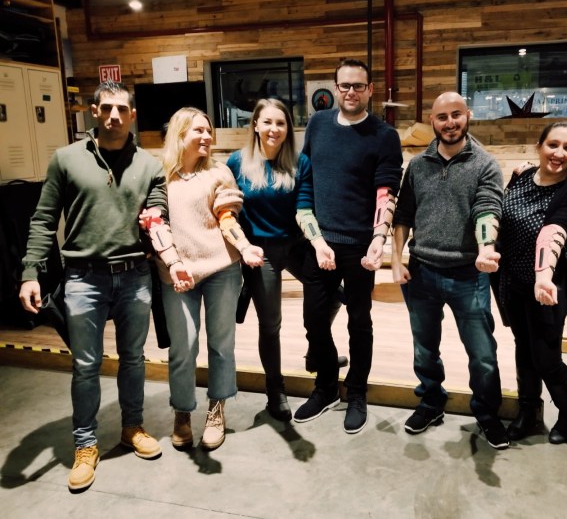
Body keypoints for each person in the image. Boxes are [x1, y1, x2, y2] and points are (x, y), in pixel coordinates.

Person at [18, 80, 180, 491]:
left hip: (134, 276)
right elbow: (42, 219)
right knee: (85, 365)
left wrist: (156, 217)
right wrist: (30, 272)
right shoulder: (66, 159)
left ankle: (132, 427)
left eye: (122, 109)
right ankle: (85, 444)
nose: (114, 116)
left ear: (132, 114)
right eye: (106, 108)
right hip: (82, 277)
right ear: (94, 111)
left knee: (133, 359)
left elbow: (158, 209)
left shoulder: (149, 164)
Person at [391, 91, 509, 449]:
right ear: (432, 120)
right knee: (424, 349)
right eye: (442, 117)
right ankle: (431, 402)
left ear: (468, 115)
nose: (450, 123)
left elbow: (487, 209)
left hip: (468, 274)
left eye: (456, 114)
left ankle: (487, 414)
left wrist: (486, 248)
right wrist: (396, 259)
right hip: (422, 271)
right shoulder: (418, 165)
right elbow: (403, 215)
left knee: (482, 354)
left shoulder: (485, 164)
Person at [293, 58, 403, 434]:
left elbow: (386, 192)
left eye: (359, 86)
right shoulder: (319, 125)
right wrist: (316, 239)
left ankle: (356, 391)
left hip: (360, 248)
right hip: (319, 244)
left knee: (360, 321)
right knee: (313, 320)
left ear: (370, 90)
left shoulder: (384, 135)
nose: (351, 92)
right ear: (335, 88)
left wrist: (378, 240)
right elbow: (305, 182)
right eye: (344, 86)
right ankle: (326, 387)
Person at [145, 107, 263, 451]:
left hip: (220, 271)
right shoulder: (160, 176)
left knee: (221, 345)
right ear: (180, 134)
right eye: (199, 130)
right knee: (183, 347)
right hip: (175, 275)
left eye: (209, 131)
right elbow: (153, 223)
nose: (207, 137)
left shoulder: (218, 173)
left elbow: (226, 218)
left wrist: (244, 247)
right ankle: (182, 412)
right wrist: (171, 261)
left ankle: (217, 409)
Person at [226, 98, 344, 422]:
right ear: (255, 125)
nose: (274, 129)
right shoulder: (237, 163)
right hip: (259, 251)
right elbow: (226, 210)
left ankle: (315, 351)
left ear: (288, 129)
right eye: (267, 122)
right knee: (270, 324)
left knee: (335, 293)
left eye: (280, 123)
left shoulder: (299, 163)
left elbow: (303, 207)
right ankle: (275, 391)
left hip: (295, 244)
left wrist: (317, 243)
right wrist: (239, 246)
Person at [493, 121, 567, 444]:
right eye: (553, 145)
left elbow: (554, 232)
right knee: (523, 348)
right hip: (514, 284)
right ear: (539, 146)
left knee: (546, 356)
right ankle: (528, 412)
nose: (559, 153)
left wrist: (542, 276)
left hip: (548, 289)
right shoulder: (520, 178)